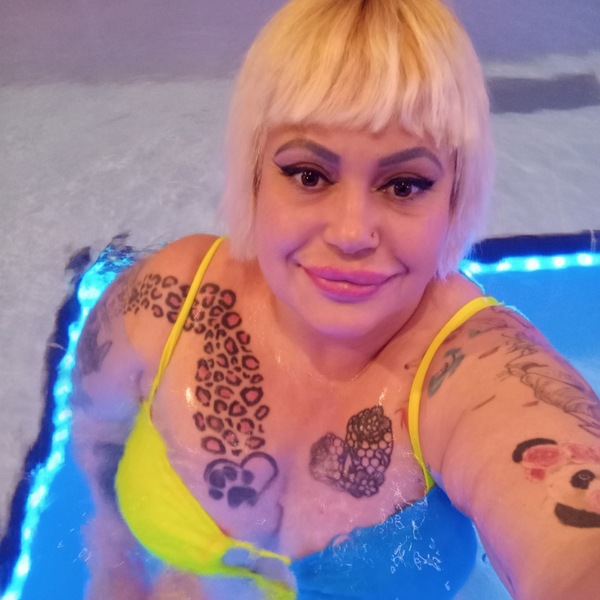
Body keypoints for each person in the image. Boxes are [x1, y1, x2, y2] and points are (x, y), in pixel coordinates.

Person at [71, 0, 600, 598]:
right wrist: (113, 557)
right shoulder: (163, 303)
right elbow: (97, 433)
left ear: (455, 195)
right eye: (308, 174)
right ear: (253, 172)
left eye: (404, 185)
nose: (351, 232)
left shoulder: (479, 372)